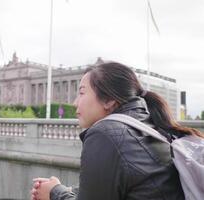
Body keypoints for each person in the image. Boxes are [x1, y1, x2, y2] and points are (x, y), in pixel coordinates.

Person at [30, 61, 204, 200]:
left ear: (109, 101)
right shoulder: (150, 127)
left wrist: (54, 193)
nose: (75, 103)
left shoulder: (105, 133)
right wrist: (65, 190)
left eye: (82, 93)